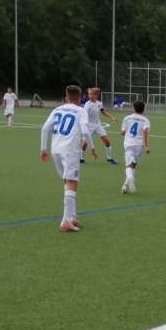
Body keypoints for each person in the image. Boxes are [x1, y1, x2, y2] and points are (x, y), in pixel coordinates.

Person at [39, 85, 84, 232]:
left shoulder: (57, 109)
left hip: (55, 150)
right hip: (70, 151)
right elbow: (85, 131)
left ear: (66, 98)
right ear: (79, 98)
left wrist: (43, 149)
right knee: (72, 182)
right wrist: (92, 147)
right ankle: (66, 221)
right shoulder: (80, 110)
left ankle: (72, 216)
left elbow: (45, 128)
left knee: (67, 181)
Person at [120, 100, 150, 193]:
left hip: (129, 144)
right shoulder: (146, 120)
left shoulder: (127, 118)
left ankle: (129, 177)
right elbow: (145, 131)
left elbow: (122, 132)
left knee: (129, 165)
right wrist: (146, 146)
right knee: (133, 165)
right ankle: (125, 186)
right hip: (139, 145)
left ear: (134, 109)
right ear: (143, 110)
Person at [84, 88, 119, 163]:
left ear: (96, 95)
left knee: (107, 142)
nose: (89, 95)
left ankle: (109, 158)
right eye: (89, 94)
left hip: (98, 125)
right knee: (84, 144)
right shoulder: (87, 104)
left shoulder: (99, 103)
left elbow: (103, 112)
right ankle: (82, 159)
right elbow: (84, 115)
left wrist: (111, 117)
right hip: (89, 126)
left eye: (91, 94)